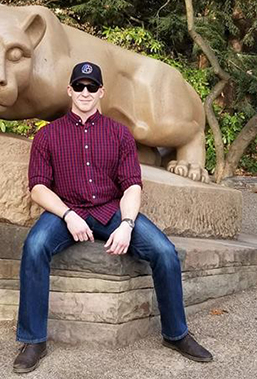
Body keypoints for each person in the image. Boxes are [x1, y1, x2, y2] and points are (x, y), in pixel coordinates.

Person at [12, 62, 214, 374]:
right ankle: (34, 340)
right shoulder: (48, 136)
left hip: (111, 210)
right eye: (79, 86)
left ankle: (176, 334)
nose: (85, 92)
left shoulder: (119, 134)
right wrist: (67, 215)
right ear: (69, 90)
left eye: (91, 87)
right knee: (35, 246)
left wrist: (127, 225)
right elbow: (37, 188)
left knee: (163, 251)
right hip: (66, 211)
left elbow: (132, 185)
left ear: (101, 92)